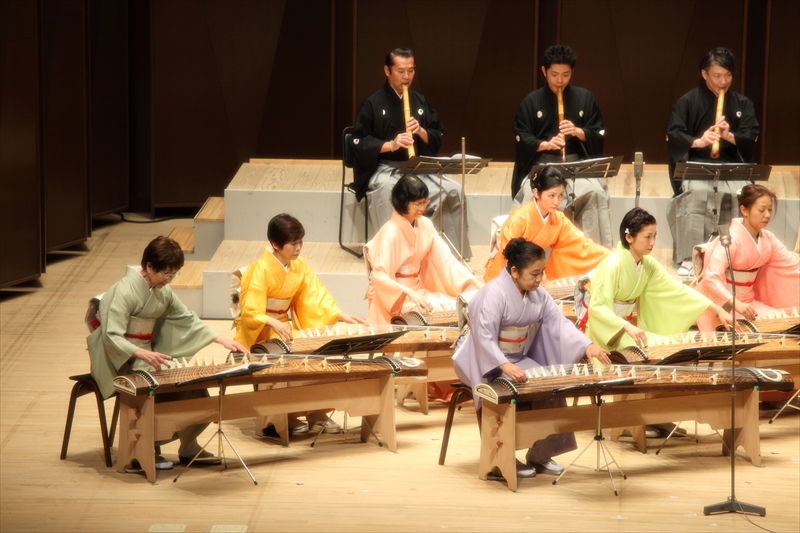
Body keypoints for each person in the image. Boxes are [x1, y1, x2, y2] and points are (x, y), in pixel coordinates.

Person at [453, 237, 611, 478]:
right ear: (514, 271)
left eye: (542, 272)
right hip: (481, 359)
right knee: (504, 393)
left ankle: (540, 454)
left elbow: (558, 322)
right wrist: (503, 364)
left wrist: (586, 346)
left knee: (552, 387)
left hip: (516, 358)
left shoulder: (538, 294)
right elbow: (483, 336)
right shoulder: (492, 294)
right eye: (534, 274)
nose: (540, 279)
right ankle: (500, 459)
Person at [88, 236, 249, 469]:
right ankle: (144, 449)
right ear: (149, 266)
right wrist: (141, 354)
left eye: (174, 274)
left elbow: (186, 317)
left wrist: (221, 339)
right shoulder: (124, 291)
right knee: (156, 383)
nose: (169, 279)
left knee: (190, 381)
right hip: (120, 359)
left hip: (147, 355)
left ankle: (189, 444)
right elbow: (112, 336)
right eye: (166, 273)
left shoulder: (162, 290)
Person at [234, 214, 367, 435]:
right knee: (287, 359)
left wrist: (339, 314)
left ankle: (316, 412)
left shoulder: (299, 265)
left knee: (315, 353)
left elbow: (314, 297)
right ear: (275, 244)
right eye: (293, 244)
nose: (298, 248)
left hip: (283, 327)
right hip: (261, 330)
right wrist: (272, 322)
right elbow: (250, 312)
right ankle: (281, 416)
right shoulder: (259, 270)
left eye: (300, 242)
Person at [366, 175, 482, 401]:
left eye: (424, 202)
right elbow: (379, 275)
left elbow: (445, 260)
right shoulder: (390, 231)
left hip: (418, 292)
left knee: (455, 306)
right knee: (432, 310)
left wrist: (471, 283)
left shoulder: (425, 225)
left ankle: (451, 377)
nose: (421, 208)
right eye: (416, 203)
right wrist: (407, 292)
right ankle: (430, 378)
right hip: (396, 296)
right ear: (402, 202)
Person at [352, 47, 471, 260]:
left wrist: (421, 131)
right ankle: (389, 255)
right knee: (386, 190)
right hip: (386, 168)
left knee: (453, 189)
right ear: (387, 71)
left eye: (411, 70)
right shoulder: (373, 103)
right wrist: (391, 144)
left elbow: (437, 133)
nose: (407, 76)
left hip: (418, 167)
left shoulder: (420, 102)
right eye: (401, 71)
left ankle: (452, 257)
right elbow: (359, 142)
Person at [585, 207, 735, 352]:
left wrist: (715, 308)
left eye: (654, 236)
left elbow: (676, 290)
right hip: (607, 334)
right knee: (658, 348)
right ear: (629, 237)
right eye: (647, 237)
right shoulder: (611, 265)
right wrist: (625, 326)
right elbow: (597, 308)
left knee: (670, 346)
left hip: (626, 329)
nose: (652, 242)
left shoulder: (648, 264)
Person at [666, 47, 760, 276]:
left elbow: (751, 136)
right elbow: (674, 134)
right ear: (704, 74)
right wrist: (698, 141)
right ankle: (691, 257)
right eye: (717, 76)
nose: (723, 81)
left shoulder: (742, 103)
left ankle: (736, 256)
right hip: (697, 165)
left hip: (732, 165)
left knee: (739, 195)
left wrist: (729, 136)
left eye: (727, 75)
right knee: (696, 193)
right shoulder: (687, 101)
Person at [511, 44, 612, 247]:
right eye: (554, 74)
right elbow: (522, 136)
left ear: (572, 71)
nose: (560, 80)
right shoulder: (531, 101)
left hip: (577, 166)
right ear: (544, 71)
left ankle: (594, 256)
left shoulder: (585, 98)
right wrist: (544, 144)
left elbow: (598, 132)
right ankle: (529, 256)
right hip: (543, 166)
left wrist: (578, 131)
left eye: (565, 75)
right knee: (533, 196)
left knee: (596, 194)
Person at [695, 184, 800, 331]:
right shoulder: (730, 240)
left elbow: (792, 265)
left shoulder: (768, 239)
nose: (767, 215)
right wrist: (735, 303)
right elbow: (711, 277)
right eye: (761, 210)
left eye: (770, 210)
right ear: (744, 210)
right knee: (758, 331)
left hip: (749, 303)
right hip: (724, 305)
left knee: (785, 324)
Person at [485, 166, 610, 282]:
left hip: (532, 274)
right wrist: (535, 272)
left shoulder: (558, 218)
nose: (556, 201)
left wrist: (609, 257)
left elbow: (581, 245)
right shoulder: (518, 219)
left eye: (560, 195)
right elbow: (509, 256)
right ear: (536, 193)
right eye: (551, 195)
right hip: (505, 275)